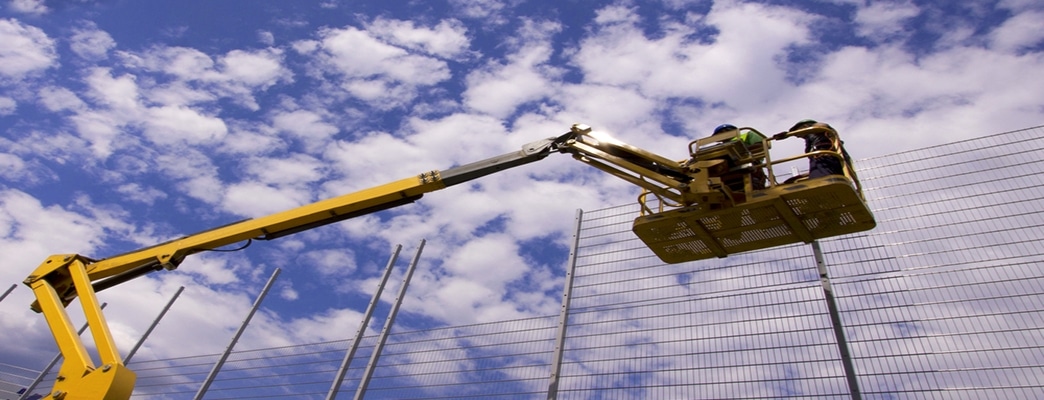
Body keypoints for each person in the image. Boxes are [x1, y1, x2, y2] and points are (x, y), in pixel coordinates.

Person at [781, 119, 851, 179]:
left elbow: (822, 125)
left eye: (796, 132)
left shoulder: (821, 131)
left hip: (827, 159)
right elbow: (819, 168)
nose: (797, 136)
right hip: (823, 164)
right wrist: (803, 176)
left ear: (805, 126)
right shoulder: (810, 143)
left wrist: (789, 134)